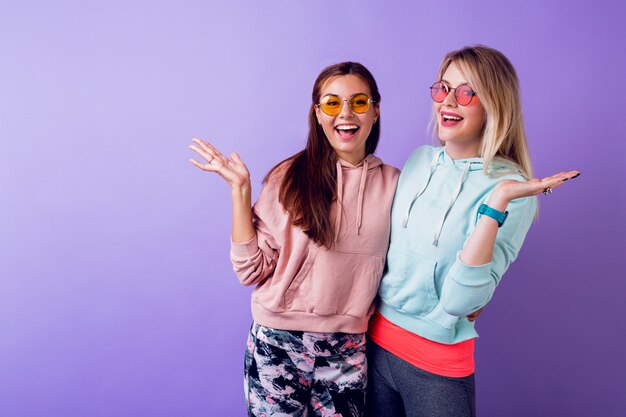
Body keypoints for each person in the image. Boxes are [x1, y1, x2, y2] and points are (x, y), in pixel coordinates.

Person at [366, 45, 580, 417]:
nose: (448, 101)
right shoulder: (418, 161)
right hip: (374, 346)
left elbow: (461, 304)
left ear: (495, 104)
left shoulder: (513, 191)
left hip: (436, 367)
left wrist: (496, 203)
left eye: (466, 92)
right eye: (443, 88)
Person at [190, 62, 399, 417]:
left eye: (359, 102)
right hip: (278, 342)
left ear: (375, 111)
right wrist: (240, 192)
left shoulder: (396, 186)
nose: (345, 114)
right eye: (332, 103)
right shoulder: (289, 177)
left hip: (347, 350)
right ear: (317, 114)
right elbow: (250, 270)